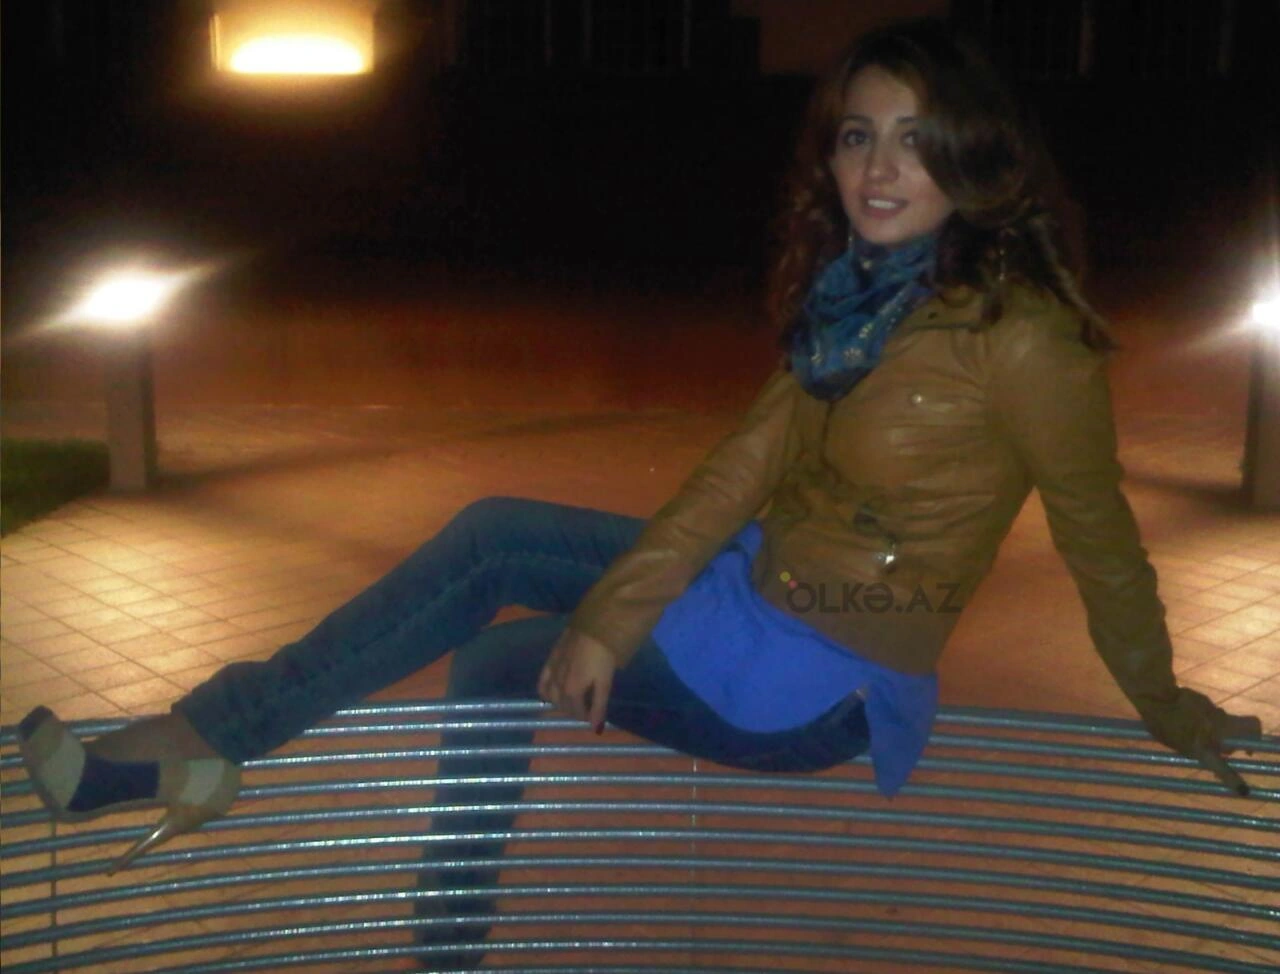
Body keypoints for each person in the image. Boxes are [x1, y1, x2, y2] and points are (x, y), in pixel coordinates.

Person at [17, 16, 1261, 969]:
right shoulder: (857, 302)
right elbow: (733, 472)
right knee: (493, 536)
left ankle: (416, 932)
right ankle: (208, 739)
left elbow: (1100, 540)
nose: (876, 168)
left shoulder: (1025, 337)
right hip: (749, 589)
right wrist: (616, 612)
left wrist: (1165, 702)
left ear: (972, 153)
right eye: (854, 134)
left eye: (911, 136)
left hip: (819, 674)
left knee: (496, 664)